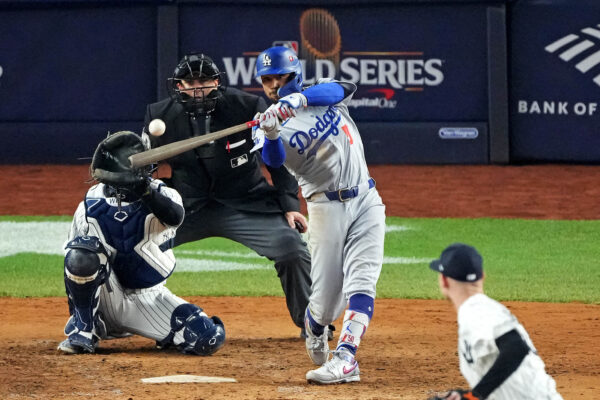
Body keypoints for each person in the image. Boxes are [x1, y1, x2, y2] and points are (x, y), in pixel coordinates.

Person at [142, 53, 319, 338]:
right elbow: (146, 167)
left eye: (203, 81)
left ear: (217, 81)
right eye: (189, 82)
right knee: (132, 246)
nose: (196, 88)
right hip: (186, 207)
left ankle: (312, 323)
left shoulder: (248, 107)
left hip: (245, 201)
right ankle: (112, 319)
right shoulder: (160, 115)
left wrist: (289, 204)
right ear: (178, 86)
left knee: (292, 249)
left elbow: (276, 159)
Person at [254, 46, 386, 384]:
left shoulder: (321, 92)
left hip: (367, 198)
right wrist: (270, 132)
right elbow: (274, 159)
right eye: (266, 79)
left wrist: (298, 100)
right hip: (325, 207)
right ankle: (314, 324)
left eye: (278, 77)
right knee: (327, 304)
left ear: (294, 73)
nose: (272, 84)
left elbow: (345, 89)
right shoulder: (266, 124)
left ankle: (346, 357)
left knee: (362, 280)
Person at [57, 131, 225, 356]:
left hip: (149, 297)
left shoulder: (163, 195)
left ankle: (158, 331)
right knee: (81, 254)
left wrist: (143, 190)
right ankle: (85, 327)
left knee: (207, 338)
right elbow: (74, 266)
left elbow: (174, 216)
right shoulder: (91, 204)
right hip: (109, 295)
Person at [427, 243, 563, 400]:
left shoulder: (477, 310)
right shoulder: (478, 310)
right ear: (483, 276)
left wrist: (474, 396)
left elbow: (516, 347)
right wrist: (465, 395)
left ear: (444, 280)